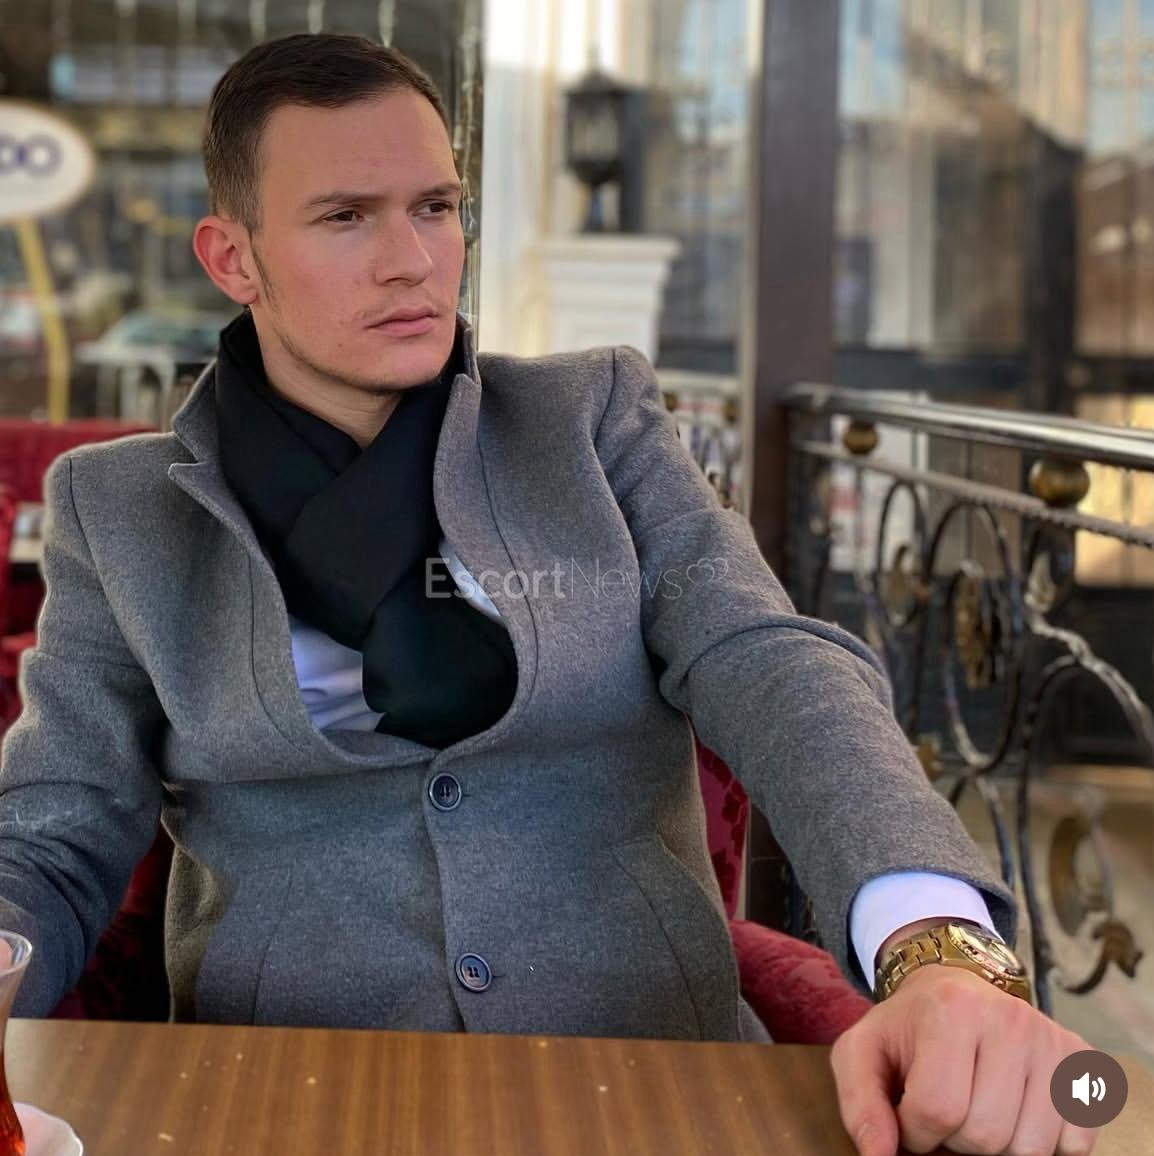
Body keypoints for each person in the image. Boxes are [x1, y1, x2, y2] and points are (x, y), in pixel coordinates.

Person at [0, 33, 1095, 1156]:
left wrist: (935, 945)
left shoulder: (590, 424)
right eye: (346, 217)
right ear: (232, 257)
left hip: (644, 1071)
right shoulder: (120, 509)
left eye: (436, 207)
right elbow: (53, 833)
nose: (412, 260)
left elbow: (766, 659)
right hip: (278, 1087)